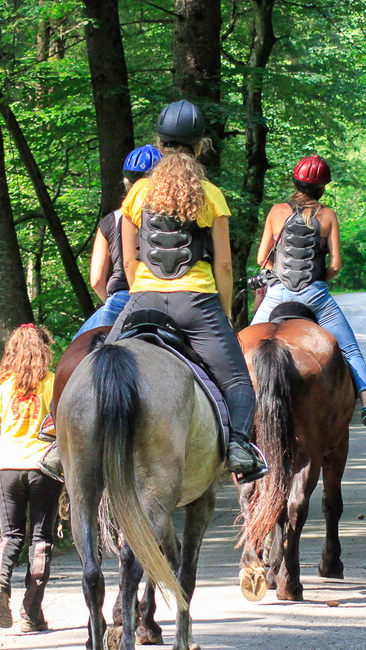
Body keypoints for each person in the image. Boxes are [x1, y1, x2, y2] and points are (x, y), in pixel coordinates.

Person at [108, 99, 268, 484]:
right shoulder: (210, 195)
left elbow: (130, 261)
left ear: (159, 145)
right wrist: (225, 313)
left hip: (143, 300)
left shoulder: (138, 194)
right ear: (200, 146)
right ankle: (238, 447)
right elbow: (225, 265)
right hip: (195, 303)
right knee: (238, 383)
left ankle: (56, 437)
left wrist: (138, 293)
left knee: (97, 362)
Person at [251, 155, 366, 436]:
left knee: (245, 345)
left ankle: (233, 414)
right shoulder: (327, 215)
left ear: (295, 182)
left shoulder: (277, 211)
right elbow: (336, 264)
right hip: (315, 295)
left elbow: (261, 259)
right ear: (323, 188)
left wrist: (279, 278)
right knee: (350, 350)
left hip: (278, 293)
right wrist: (316, 283)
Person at [0, 323, 61, 632]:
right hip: (43, 468)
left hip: (6, 468)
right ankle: (30, 614)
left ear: (11, 352)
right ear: (43, 351)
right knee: (41, 539)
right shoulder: (52, 383)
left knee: (11, 535)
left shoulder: (2, 386)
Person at [73, 144, 162, 338]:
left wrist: (108, 303)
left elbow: (96, 280)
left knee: (74, 351)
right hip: (161, 297)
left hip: (121, 300)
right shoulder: (172, 216)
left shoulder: (110, 221)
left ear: (126, 181)